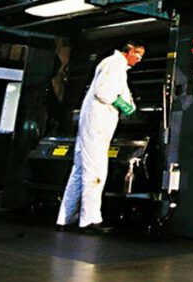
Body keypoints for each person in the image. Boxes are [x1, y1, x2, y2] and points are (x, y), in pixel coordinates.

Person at [56, 41, 145, 232]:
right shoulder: (114, 64)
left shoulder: (115, 66)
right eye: (138, 54)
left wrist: (129, 103)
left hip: (92, 125)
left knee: (79, 171)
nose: (140, 59)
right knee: (95, 171)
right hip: (97, 126)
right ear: (129, 51)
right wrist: (124, 105)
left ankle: (65, 218)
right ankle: (89, 220)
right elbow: (103, 92)